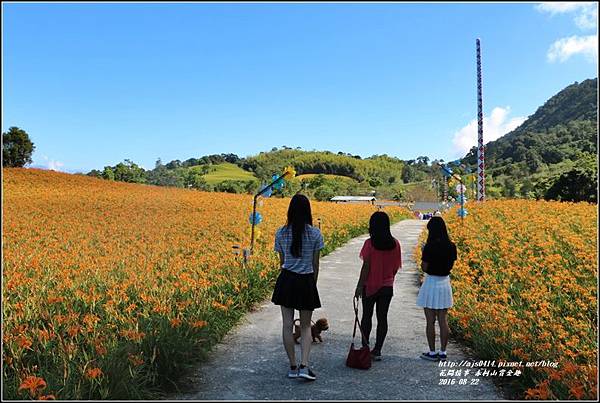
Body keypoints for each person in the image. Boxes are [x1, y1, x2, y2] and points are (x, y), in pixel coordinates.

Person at [271, 194, 324, 381]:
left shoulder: (281, 232)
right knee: (306, 326)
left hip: (286, 280)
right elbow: (315, 264)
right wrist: (312, 284)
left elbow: (283, 262)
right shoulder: (316, 233)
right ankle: (304, 366)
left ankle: (292, 366)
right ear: (308, 211)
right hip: (306, 280)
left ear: (290, 211)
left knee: (287, 325)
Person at [354, 211, 402, 361]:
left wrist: (359, 286)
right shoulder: (395, 244)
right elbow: (396, 267)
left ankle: (365, 346)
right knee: (383, 318)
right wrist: (387, 279)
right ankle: (378, 349)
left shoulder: (369, 243)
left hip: (370, 285)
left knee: (366, 316)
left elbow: (366, 267)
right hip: (387, 287)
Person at [416, 216, 457, 362]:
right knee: (443, 320)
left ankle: (432, 353)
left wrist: (423, 254)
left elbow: (424, 267)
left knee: (430, 321)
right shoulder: (452, 246)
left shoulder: (429, 246)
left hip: (431, 282)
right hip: (444, 283)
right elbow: (451, 265)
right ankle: (443, 352)